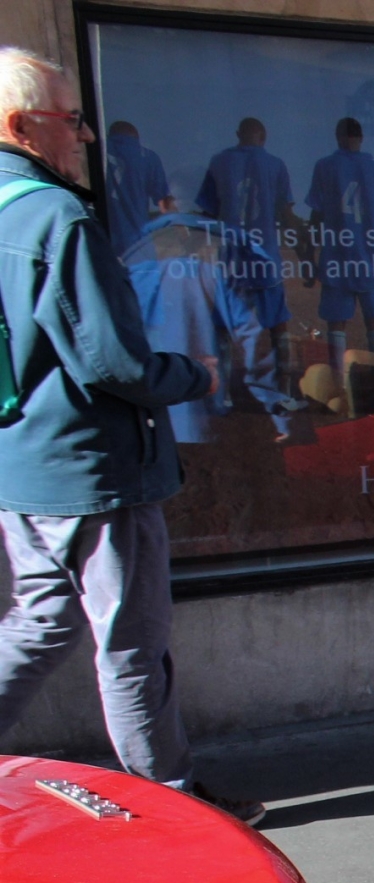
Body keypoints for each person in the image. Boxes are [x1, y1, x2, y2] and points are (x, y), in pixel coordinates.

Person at [0, 49, 254, 821]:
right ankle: (173, 801)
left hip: (22, 466)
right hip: (93, 469)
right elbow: (114, 362)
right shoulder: (57, 217)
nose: (83, 135)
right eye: (69, 120)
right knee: (131, 638)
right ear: (20, 126)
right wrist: (197, 375)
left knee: (40, 621)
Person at [194, 117, 294, 416]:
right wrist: (306, 242)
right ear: (263, 136)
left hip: (232, 260)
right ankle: (283, 394)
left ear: (239, 135)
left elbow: (208, 213)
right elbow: (286, 213)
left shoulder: (219, 161)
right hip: (265, 260)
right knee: (278, 329)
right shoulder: (276, 164)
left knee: (223, 330)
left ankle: (220, 395)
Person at [305, 118, 374, 412]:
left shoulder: (325, 166)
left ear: (337, 137)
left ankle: (340, 390)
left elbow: (316, 215)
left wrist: (308, 253)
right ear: (361, 137)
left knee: (337, 324)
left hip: (337, 256)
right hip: (369, 257)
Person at [102, 119, 171, 256]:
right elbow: (165, 205)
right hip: (139, 247)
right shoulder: (149, 158)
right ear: (137, 138)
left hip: (104, 244)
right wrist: (185, 236)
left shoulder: (97, 152)